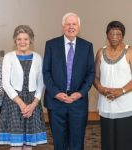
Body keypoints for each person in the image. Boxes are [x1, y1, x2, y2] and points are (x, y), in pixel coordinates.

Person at [43, 12, 95, 150]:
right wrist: (56, 93)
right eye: (68, 24)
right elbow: (46, 72)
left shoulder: (87, 46)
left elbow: (91, 73)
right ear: (62, 27)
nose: (71, 27)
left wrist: (80, 93)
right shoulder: (51, 45)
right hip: (56, 102)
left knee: (77, 143)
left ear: (79, 27)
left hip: (78, 103)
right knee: (59, 143)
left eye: (74, 24)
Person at [0, 25, 47, 150]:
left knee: (28, 144)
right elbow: (5, 83)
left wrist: (34, 104)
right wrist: (21, 104)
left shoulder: (38, 57)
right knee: (15, 145)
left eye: (26, 39)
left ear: (30, 40)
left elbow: (41, 82)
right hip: (14, 102)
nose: (22, 42)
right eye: (19, 39)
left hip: (32, 103)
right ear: (15, 40)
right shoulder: (9, 57)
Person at [94, 21, 132, 150]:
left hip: (125, 105)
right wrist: (101, 89)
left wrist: (121, 91)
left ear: (123, 36)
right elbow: (95, 77)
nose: (115, 37)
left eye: (118, 34)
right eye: (111, 34)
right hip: (106, 104)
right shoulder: (100, 52)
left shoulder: (130, 51)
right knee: (107, 141)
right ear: (107, 35)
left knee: (124, 141)